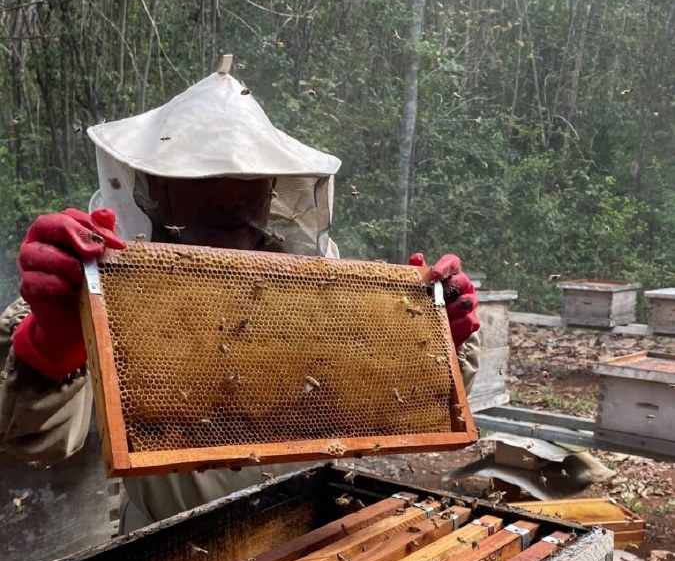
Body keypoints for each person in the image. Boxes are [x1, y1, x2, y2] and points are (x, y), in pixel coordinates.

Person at [0, 56, 480, 532]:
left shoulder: (323, 282)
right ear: (156, 189)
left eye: (247, 179)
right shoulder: (105, 283)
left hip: (311, 532)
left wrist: (439, 341)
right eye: (203, 179)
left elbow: (397, 405)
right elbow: (36, 443)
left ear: (271, 188)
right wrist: (53, 342)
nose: (229, 197)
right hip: (170, 546)